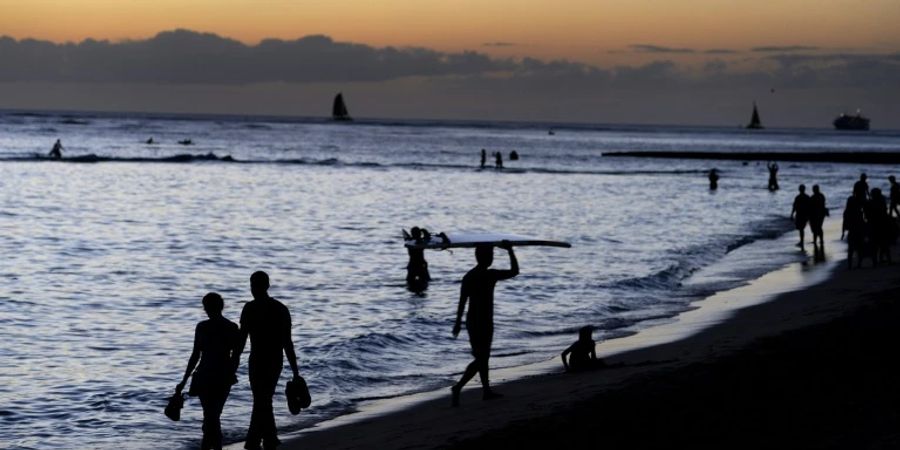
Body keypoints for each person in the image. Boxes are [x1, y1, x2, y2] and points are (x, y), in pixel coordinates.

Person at [234, 271, 301, 450]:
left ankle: (256, 440)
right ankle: (268, 438)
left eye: (252, 285)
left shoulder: (250, 308)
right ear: (268, 286)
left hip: (257, 359)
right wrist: (295, 371)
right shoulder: (280, 308)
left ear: (253, 287)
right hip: (274, 360)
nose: (252, 289)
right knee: (264, 399)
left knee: (261, 399)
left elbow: (241, 339)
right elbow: (288, 343)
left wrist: (234, 361)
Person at [451, 243, 518, 407]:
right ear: (485, 257)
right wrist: (510, 251)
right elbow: (514, 271)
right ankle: (458, 387)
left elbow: (462, 302)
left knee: (483, 357)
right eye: (490, 255)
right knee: (482, 358)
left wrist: (458, 322)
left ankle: (486, 391)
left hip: (475, 320)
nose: (492, 258)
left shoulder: (470, 276)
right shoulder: (490, 275)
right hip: (481, 321)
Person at [175, 293, 240, 450]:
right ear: (221, 306)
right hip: (223, 376)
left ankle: (209, 446)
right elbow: (236, 356)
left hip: (204, 375)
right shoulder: (231, 327)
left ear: (206, 308)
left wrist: (184, 380)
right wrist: (231, 372)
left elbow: (195, 355)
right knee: (213, 416)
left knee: (210, 416)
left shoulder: (202, 327)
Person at [809, 185, 828, 251]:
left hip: (816, 214)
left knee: (816, 227)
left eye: (813, 189)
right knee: (818, 227)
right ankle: (820, 240)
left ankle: (816, 240)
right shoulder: (821, 196)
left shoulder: (813, 197)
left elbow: (810, 207)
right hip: (821, 214)